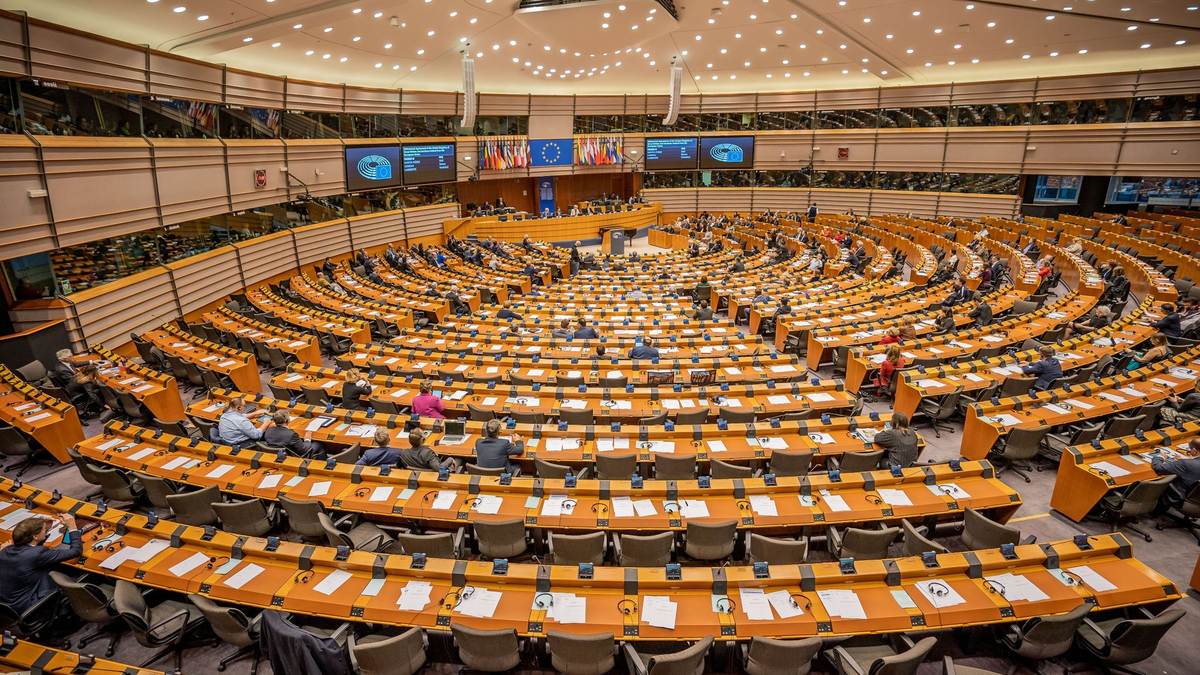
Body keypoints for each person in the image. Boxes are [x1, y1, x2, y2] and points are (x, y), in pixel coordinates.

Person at [0, 513, 82, 613]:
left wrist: (45, 527)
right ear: (35, 536)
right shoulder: (37, 554)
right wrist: (72, 528)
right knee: (77, 576)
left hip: (7, 606)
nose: (45, 531)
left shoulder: (6, 550)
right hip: (27, 608)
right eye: (44, 530)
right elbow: (76, 551)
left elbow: (33, 550)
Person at [1151, 438, 1200, 502]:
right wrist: (1183, 461)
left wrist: (1160, 457)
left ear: (1194, 450)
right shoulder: (1186, 463)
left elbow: (1158, 468)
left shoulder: (1185, 464)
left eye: (1190, 449)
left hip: (1183, 498)